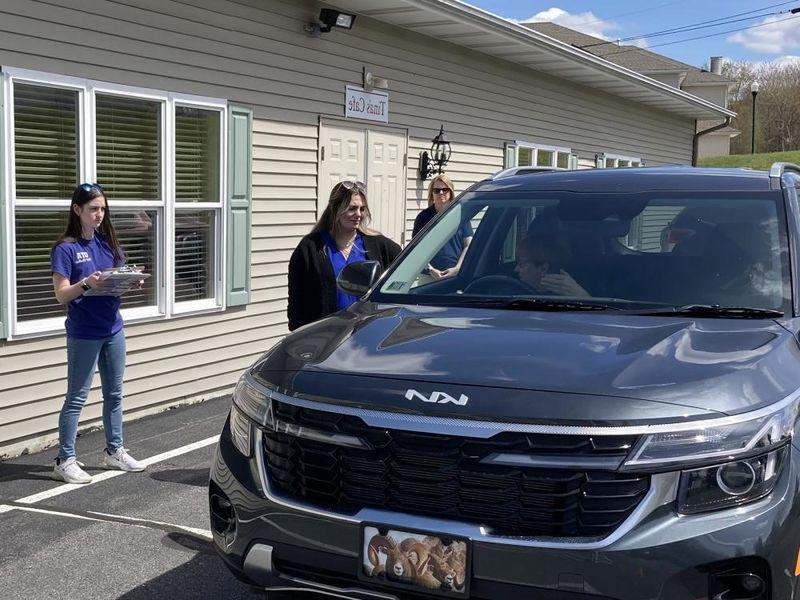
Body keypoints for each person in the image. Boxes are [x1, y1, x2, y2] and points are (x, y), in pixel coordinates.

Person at [50, 183, 145, 484]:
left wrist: (130, 281)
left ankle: (114, 451)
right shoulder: (65, 248)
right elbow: (62, 295)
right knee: (77, 396)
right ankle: (64, 460)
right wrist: (87, 284)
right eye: (93, 209)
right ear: (77, 209)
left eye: (103, 209)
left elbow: (114, 282)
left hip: (113, 329)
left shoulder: (109, 245)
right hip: (84, 332)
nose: (99, 214)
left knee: (114, 393)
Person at [288, 181, 401, 331]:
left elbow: (408, 262)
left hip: (366, 334)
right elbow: (297, 303)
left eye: (362, 209)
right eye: (352, 208)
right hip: (326, 338)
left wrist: (429, 269)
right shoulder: (311, 248)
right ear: (335, 210)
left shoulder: (378, 244)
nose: (359, 214)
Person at [412, 174, 472, 279]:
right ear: (432, 193)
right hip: (428, 276)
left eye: (445, 189)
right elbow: (415, 249)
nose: (441, 193)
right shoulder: (423, 217)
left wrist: (458, 268)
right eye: (436, 190)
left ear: (451, 192)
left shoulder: (461, 214)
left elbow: (468, 245)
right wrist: (430, 270)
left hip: (456, 275)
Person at [515, 234, 589, 296]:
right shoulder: (510, 295)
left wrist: (583, 297)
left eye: (521, 264)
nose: (516, 269)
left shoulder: (564, 303)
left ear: (543, 269)